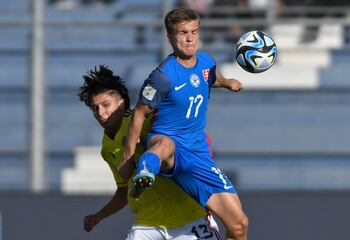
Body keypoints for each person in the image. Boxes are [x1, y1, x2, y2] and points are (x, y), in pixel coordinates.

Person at [123, 8, 248, 240]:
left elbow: (213, 78)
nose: (190, 38)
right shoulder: (162, 76)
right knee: (165, 145)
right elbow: (139, 113)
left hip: (198, 153)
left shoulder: (206, 63)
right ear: (170, 38)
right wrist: (128, 155)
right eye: (182, 33)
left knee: (239, 224)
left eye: (194, 32)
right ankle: (145, 171)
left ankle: (148, 167)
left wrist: (228, 82)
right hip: (167, 140)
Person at [77, 65, 223, 240]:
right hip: (149, 223)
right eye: (95, 108)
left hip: (189, 216)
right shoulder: (107, 148)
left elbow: (177, 130)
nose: (100, 112)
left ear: (121, 103)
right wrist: (98, 216)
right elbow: (124, 191)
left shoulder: (141, 120)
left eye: (106, 105)